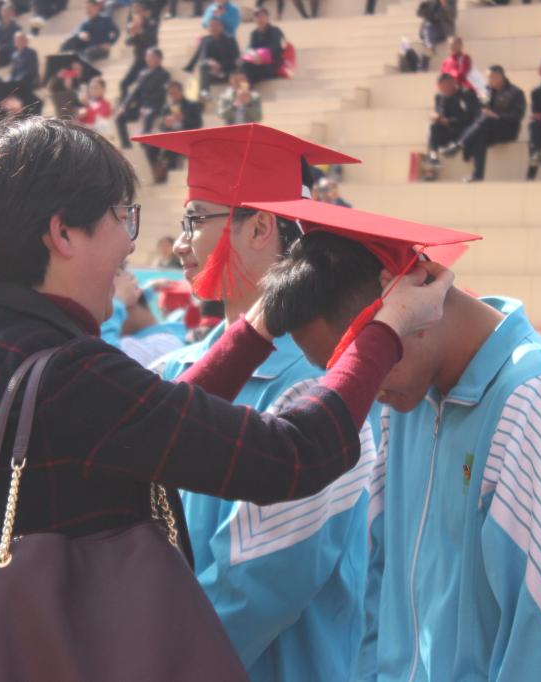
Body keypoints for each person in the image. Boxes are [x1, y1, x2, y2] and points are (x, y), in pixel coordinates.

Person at [0, 117, 454, 672]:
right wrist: (387, 327)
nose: (131, 243)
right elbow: (296, 454)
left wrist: (255, 329)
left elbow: (142, 423)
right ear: (62, 234)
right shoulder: (71, 375)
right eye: (120, 217)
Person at [254, 200, 541, 682]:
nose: (365, 386)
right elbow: (377, 586)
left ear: (412, 300)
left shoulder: (535, 398)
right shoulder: (404, 403)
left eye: (367, 358)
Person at [141, 125, 382, 682]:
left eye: (195, 220)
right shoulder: (174, 372)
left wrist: (149, 662)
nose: (179, 243)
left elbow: (253, 591)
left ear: (260, 227)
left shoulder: (318, 390)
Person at [442, 65, 525, 182]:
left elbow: (517, 115)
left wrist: (497, 116)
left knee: (486, 120)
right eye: (488, 77)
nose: (488, 80)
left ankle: (459, 145)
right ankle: (477, 176)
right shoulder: (487, 92)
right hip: (489, 128)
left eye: (491, 77)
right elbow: (478, 114)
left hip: (508, 129)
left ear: (500, 76)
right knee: (480, 135)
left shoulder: (516, 92)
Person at [143, 80, 203, 181]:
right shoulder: (166, 107)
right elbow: (162, 126)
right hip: (170, 136)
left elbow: (198, 123)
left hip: (186, 137)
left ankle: (172, 178)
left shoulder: (192, 105)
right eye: (171, 93)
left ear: (181, 91)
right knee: (150, 147)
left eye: (175, 92)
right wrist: (165, 123)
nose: (173, 95)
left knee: (171, 150)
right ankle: (157, 172)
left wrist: (182, 118)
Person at [116, 46, 168, 150]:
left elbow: (160, 94)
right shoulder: (142, 73)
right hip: (141, 106)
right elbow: (135, 91)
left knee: (148, 115)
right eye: (147, 56)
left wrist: (147, 106)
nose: (148, 59)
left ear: (158, 59)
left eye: (151, 56)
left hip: (155, 106)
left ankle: (145, 142)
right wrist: (124, 106)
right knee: (120, 117)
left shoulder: (164, 74)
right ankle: (126, 145)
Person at [426, 72, 478, 167]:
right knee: (432, 127)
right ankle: (433, 155)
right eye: (442, 89)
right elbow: (439, 112)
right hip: (447, 130)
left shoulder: (466, 94)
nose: (445, 91)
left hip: (462, 129)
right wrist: (435, 116)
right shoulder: (439, 97)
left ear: (453, 83)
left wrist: (449, 121)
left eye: (447, 88)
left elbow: (470, 116)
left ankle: (464, 153)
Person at [184, 16, 239, 100]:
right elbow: (203, 57)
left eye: (216, 25)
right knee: (203, 65)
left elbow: (236, 59)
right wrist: (210, 62)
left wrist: (220, 65)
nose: (213, 28)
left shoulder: (230, 40)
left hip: (227, 73)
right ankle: (204, 93)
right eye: (211, 26)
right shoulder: (205, 40)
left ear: (221, 27)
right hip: (212, 74)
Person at [120, 1, 158, 100]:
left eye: (138, 11)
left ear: (143, 12)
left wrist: (140, 31)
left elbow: (152, 40)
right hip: (138, 60)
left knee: (140, 86)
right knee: (123, 84)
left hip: (149, 62)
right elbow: (128, 42)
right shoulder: (133, 25)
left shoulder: (151, 23)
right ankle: (123, 105)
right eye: (134, 12)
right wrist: (132, 34)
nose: (136, 14)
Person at [242, 7, 284, 85]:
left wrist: (261, 57)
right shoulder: (254, 33)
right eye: (257, 17)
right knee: (242, 66)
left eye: (262, 16)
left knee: (248, 70)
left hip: (272, 65)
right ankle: (246, 89)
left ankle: (246, 89)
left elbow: (274, 49)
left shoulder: (275, 31)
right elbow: (250, 48)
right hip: (257, 63)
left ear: (267, 18)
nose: (260, 19)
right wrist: (254, 55)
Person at [0, 3, 21, 67]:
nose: (6, 14)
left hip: (9, 54)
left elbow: (13, 44)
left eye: (8, 11)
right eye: (4, 11)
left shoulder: (16, 27)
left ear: (12, 14)